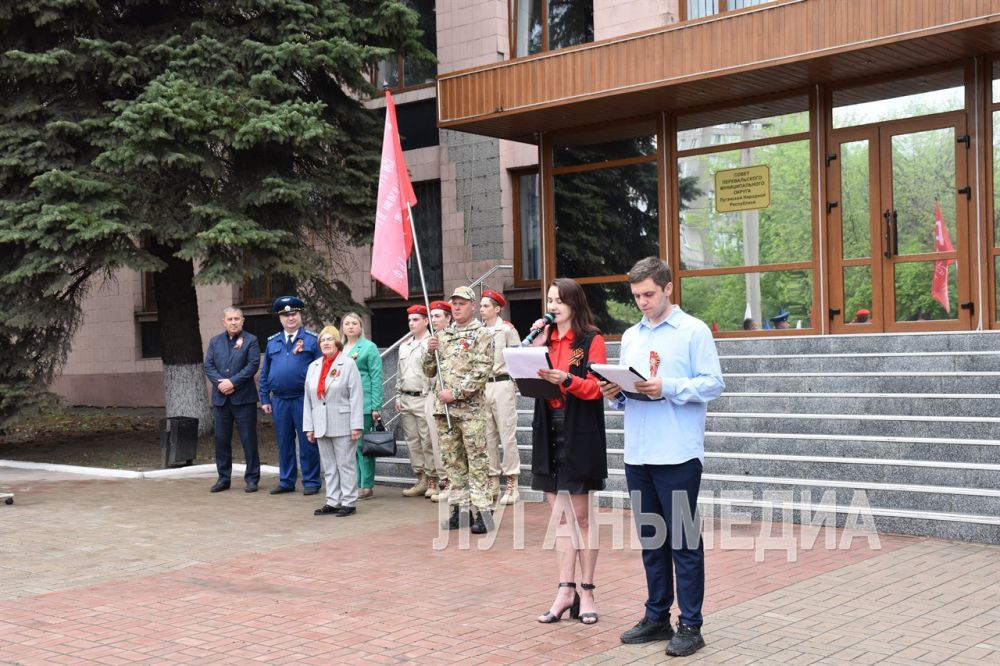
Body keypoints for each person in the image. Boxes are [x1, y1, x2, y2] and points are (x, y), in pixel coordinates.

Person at [599, 257, 724, 658]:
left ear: (668, 288)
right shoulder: (632, 335)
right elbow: (630, 385)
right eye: (636, 296)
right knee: (652, 541)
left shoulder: (693, 331)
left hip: (678, 453)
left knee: (683, 542)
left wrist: (666, 387)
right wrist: (616, 394)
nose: (642, 302)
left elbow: (713, 384)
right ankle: (657, 617)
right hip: (639, 452)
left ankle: (692, 624)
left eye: (648, 294)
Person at [529, 278, 608, 627]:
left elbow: (597, 388)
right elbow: (527, 380)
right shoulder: (545, 339)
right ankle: (565, 590)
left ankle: (587, 590)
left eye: (560, 300)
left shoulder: (591, 339)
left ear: (575, 303)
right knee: (559, 519)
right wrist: (536, 349)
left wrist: (566, 380)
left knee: (582, 518)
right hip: (548, 429)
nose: (553, 306)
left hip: (580, 431)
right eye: (550, 300)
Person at [423, 286, 494, 533]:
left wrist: (455, 394)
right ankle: (460, 510)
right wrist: (429, 351)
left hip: (470, 410)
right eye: (454, 302)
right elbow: (429, 371)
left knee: (476, 461)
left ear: (472, 306)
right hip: (445, 412)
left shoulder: (482, 333)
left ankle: (483, 513)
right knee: (452, 461)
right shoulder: (442, 335)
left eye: (462, 302)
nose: (457, 306)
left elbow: (481, 371)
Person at [259, 296, 322, 495]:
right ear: (280, 318)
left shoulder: (312, 340)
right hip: (279, 400)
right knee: (284, 441)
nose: (290, 318)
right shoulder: (273, 342)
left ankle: (311, 481)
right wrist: (264, 398)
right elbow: (265, 373)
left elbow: (321, 371)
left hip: (303, 400)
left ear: (300, 315)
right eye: (286, 315)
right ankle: (286, 481)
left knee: (308, 441)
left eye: (293, 313)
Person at [303, 326, 364, 517]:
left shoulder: (347, 364)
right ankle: (332, 500)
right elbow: (308, 399)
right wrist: (309, 427)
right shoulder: (313, 366)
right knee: (328, 465)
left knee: (345, 464)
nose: (326, 343)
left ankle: (348, 502)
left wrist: (356, 425)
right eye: (323, 340)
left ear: (337, 342)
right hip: (320, 423)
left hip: (343, 422)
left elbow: (356, 396)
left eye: (330, 339)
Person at [203, 306, 261, 493]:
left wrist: (232, 382)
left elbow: (252, 365)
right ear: (224, 321)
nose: (234, 322)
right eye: (230, 319)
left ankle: (252, 478)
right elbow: (209, 365)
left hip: (244, 399)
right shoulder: (215, 341)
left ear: (243, 320)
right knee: (221, 440)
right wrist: (221, 384)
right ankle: (223, 478)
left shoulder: (251, 340)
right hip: (221, 400)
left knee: (248, 440)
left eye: (237, 318)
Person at [479, 289, 522, 504]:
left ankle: (512, 482)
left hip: (502, 383)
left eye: (486, 306)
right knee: (487, 436)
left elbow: (517, 357)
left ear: (497, 309)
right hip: (483, 387)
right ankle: (492, 478)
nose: (481, 309)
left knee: (507, 435)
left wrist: (516, 385)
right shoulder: (479, 331)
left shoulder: (506, 330)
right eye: (481, 306)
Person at [395, 305, 440, 498]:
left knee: (428, 440)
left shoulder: (432, 343)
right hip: (406, 398)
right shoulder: (404, 345)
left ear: (426, 321)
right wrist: (397, 395)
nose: (411, 323)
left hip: (424, 397)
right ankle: (420, 478)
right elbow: (400, 373)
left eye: (416, 320)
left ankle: (433, 479)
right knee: (412, 441)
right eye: (410, 320)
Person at [341, 312, 383, 501]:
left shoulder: (369, 347)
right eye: (347, 323)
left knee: (362, 446)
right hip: (343, 404)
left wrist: (376, 406)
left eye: (354, 323)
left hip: (363, 403)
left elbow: (376, 377)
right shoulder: (339, 347)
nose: (350, 326)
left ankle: (366, 486)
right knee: (349, 447)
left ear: (360, 326)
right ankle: (354, 483)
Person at [426, 301, 453, 502]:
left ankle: (457, 483)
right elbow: (428, 370)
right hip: (437, 397)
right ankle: (446, 482)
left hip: (456, 397)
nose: (434, 320)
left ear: (448, 318)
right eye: (432, 316)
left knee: (455, 444)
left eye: (438, 316)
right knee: (440, 442)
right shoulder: (433, 339)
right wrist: (429, 351)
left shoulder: (456, 337)